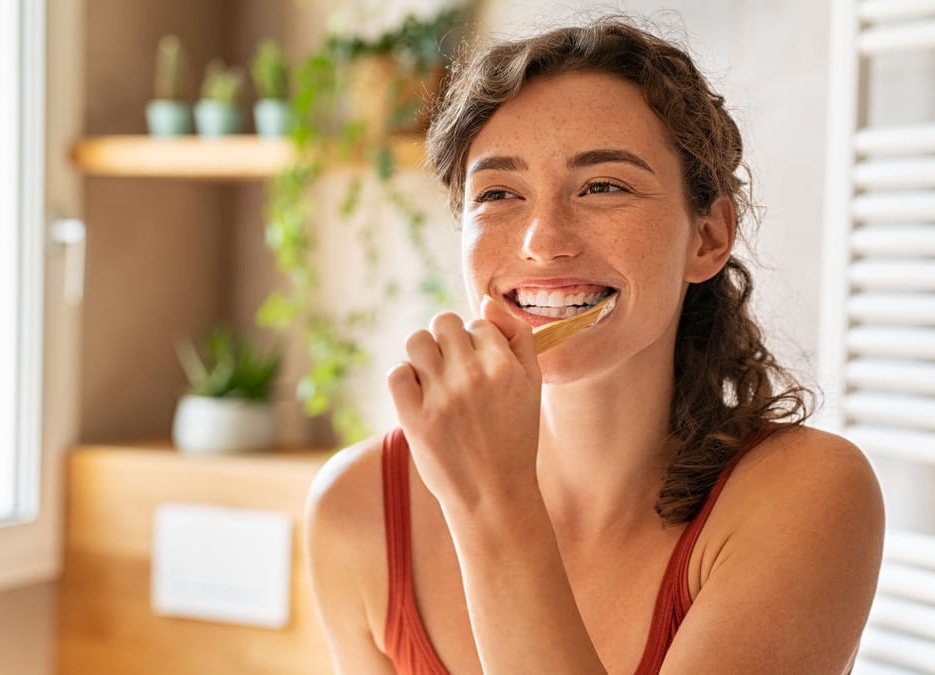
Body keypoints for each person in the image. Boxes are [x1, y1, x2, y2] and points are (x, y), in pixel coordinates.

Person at [305, 17, 884, 675]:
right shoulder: (358, 510)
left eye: (603, 186)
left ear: (709, 239)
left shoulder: (806, 497)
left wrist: (492, 501)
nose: (543, 240)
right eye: (498, 193)